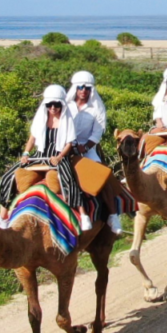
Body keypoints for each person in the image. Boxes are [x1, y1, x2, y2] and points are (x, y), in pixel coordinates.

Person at [0, 85, 90, 230]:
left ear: (62, 105)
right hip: (40, 155)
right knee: (9, 176)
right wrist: (26, 154)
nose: (53, 108)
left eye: (57, 104)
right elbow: (32, 139)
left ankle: (83, 215)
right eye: (49, 104)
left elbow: (69, 143)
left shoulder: (67, 119)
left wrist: (59, 157)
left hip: (58, 155)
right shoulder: (41, 118)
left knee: (67, 178)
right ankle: (2, 215)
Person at [67, 70, 124, 232]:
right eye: (80, 87)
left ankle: (113, 216)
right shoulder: (66, 106)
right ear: (75, 89)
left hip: (87, 148)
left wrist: (84, 147)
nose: (83, 90)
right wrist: (71, 145)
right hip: (67, 147)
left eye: (87, 88)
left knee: (102, 175)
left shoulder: (97, 107)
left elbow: (97, 132)